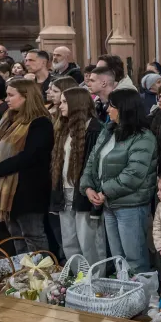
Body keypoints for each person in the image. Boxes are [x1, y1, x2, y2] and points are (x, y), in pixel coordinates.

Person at [79, 89, 157, 273]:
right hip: (109, 204)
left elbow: (133, 174)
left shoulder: (143, 137)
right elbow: (92, 161)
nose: (107, 109)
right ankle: (123, 297)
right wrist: (88, 187)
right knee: (118, 258)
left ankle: (143, 298)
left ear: (125, 108)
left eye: (112, 105)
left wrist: (104, 191)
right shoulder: (108, 131)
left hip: (131, 206)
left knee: (135, 259)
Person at [0, 79, 55, 253]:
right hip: (8, 188)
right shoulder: (9, 118)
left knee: (32, 234)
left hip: (29, 189)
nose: (6, 99)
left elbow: (30, 156)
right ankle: (23, 274)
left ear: (27, 97)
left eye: (11, 95)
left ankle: (41, 275)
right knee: (16, 236)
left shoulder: (40, 123)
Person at [49, 88, 105, 265]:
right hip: (65, 191)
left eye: (65, 102)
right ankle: (75, 279)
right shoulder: (64, 128)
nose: (60, 105)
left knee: (88, 243)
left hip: (83, 194)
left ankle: (94, 282)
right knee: (69, 241)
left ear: (76, 104)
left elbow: (95, 167)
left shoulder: (94, 130)